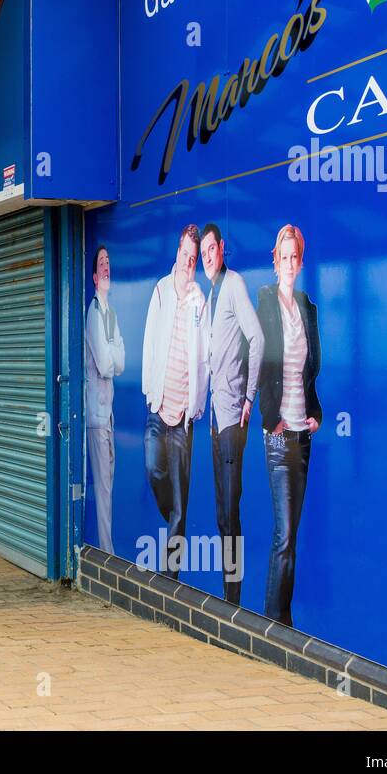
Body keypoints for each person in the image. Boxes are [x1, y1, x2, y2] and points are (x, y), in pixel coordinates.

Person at [255, 224, 321, 626]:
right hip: (279, 435)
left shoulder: (306, 307)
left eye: (296, 256)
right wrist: (271, 419)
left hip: (303, 433)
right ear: (274, 261)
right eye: (284, 257)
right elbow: (261, 363)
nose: (290, 263)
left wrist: (316, 414)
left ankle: (282, 617)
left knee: (292, 532)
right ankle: (273, 622)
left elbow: (312, 368)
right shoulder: (266, 303)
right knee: (284, 533)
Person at [201, 224, 264, 603]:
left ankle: (233, 599)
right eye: (203, 252)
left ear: (223, 248)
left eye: (211, 249)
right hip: (214, 417)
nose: (207, 256)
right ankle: (229, 594)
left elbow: (257, 338)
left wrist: (249, 397)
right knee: (221, 514)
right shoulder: (211, 294)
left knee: (230, 508)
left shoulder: (234, 284)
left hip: (231, 419)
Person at [142, 224, 209, 577]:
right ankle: (170, 517)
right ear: (177, 252)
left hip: (184, 413)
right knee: (154, 469)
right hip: (159, 405)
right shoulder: (161, 291)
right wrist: (149, 391)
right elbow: (150, 340)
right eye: (184, 255)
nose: (187, 262)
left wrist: (197, 404)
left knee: (181, 500)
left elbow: (205, 354)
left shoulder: (200, 301)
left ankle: (171, 575)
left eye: (193, 258)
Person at [85, 245, 125, 552]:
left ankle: (106, 548)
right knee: (103, 488)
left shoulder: (110, 315)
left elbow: (121, 363)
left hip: (107, 416)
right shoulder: (94, 313)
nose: (107, 266)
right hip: (96, 417)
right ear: (95, 276)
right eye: (102, 263)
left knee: (109, 488)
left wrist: (112, 354)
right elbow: (106, 362)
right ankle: (106, 552)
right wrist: (112, 353)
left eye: (109, 261)